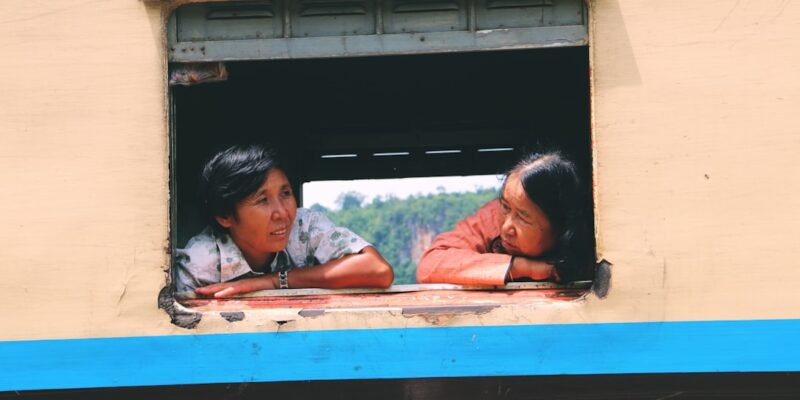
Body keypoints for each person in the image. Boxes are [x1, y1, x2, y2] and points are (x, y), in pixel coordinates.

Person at [175, 144, 393, 297]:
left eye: (286, 193)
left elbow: (377, 270)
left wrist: (274, 281)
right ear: (225, 216)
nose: (282, 213)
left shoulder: (304, 226)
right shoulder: (198, 265)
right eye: (262, 200)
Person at [416, 151, 593, 285]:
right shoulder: (492, 217)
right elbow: (431, 265)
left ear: (561, 226)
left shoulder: (595, 241)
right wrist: (521, 267)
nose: (506, 227)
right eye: (506, 207)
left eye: (524, 217)